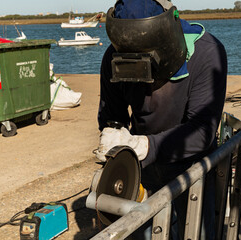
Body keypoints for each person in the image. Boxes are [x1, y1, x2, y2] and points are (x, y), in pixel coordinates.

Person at [95, 0, 227, 238]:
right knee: (142, 232)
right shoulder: (114, 57)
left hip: (191, 165)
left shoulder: (206, 52)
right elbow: (112, 114)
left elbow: (202, 130)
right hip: (142, 166)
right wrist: (111, 137)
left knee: (196, 232)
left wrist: (145, 145)